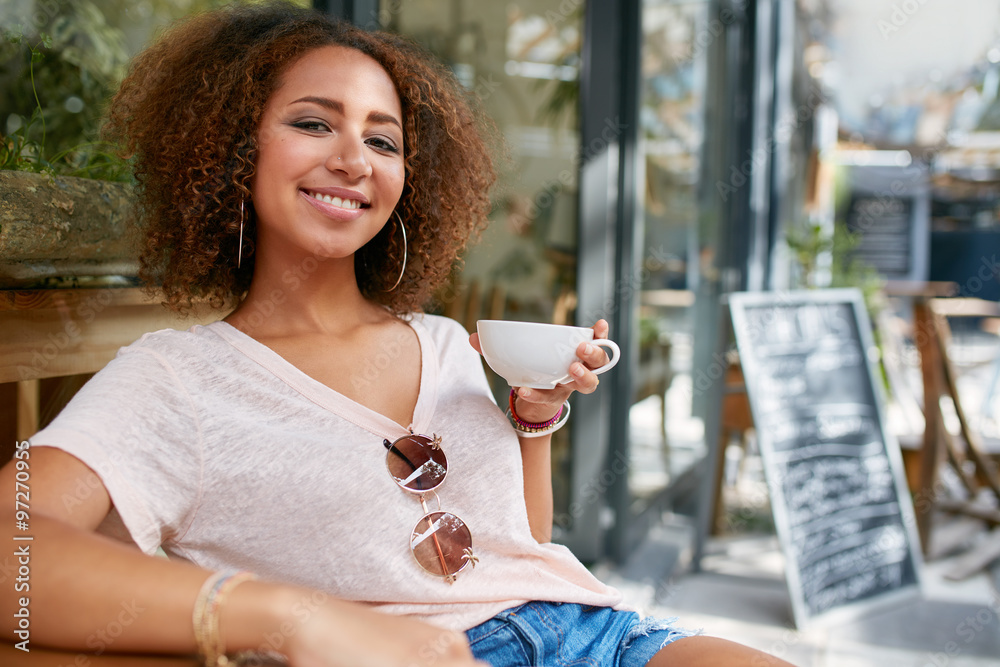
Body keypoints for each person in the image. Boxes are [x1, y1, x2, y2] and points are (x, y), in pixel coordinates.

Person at [0, 3, 794, 666]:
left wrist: (533, 421)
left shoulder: (443, 338)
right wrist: (291, 617)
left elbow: (511, 551)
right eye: (315, 124)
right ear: (233, 155)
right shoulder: (177, 378)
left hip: (600, 633)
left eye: (383, 140)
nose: (354, 159)